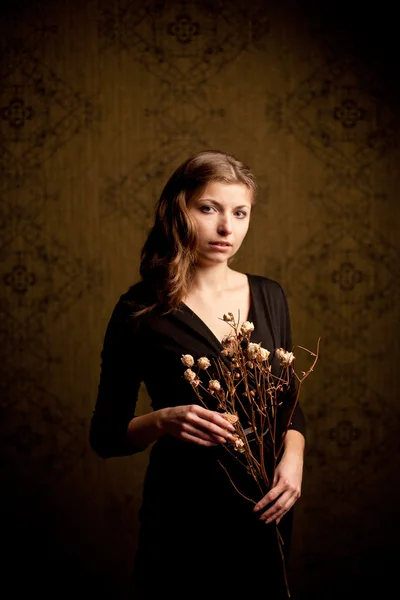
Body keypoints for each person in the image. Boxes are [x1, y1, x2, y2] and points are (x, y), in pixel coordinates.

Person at [89, 150, 306, 599]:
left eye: (239, 213)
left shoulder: (269, 295)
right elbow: (106, 436)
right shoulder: (139, 310)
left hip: (265, 503)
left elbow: (287, 403)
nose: (227, 228)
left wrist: (294, 459)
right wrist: (164, 420)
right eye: (209, 209)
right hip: (182, 511)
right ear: (179, 211)